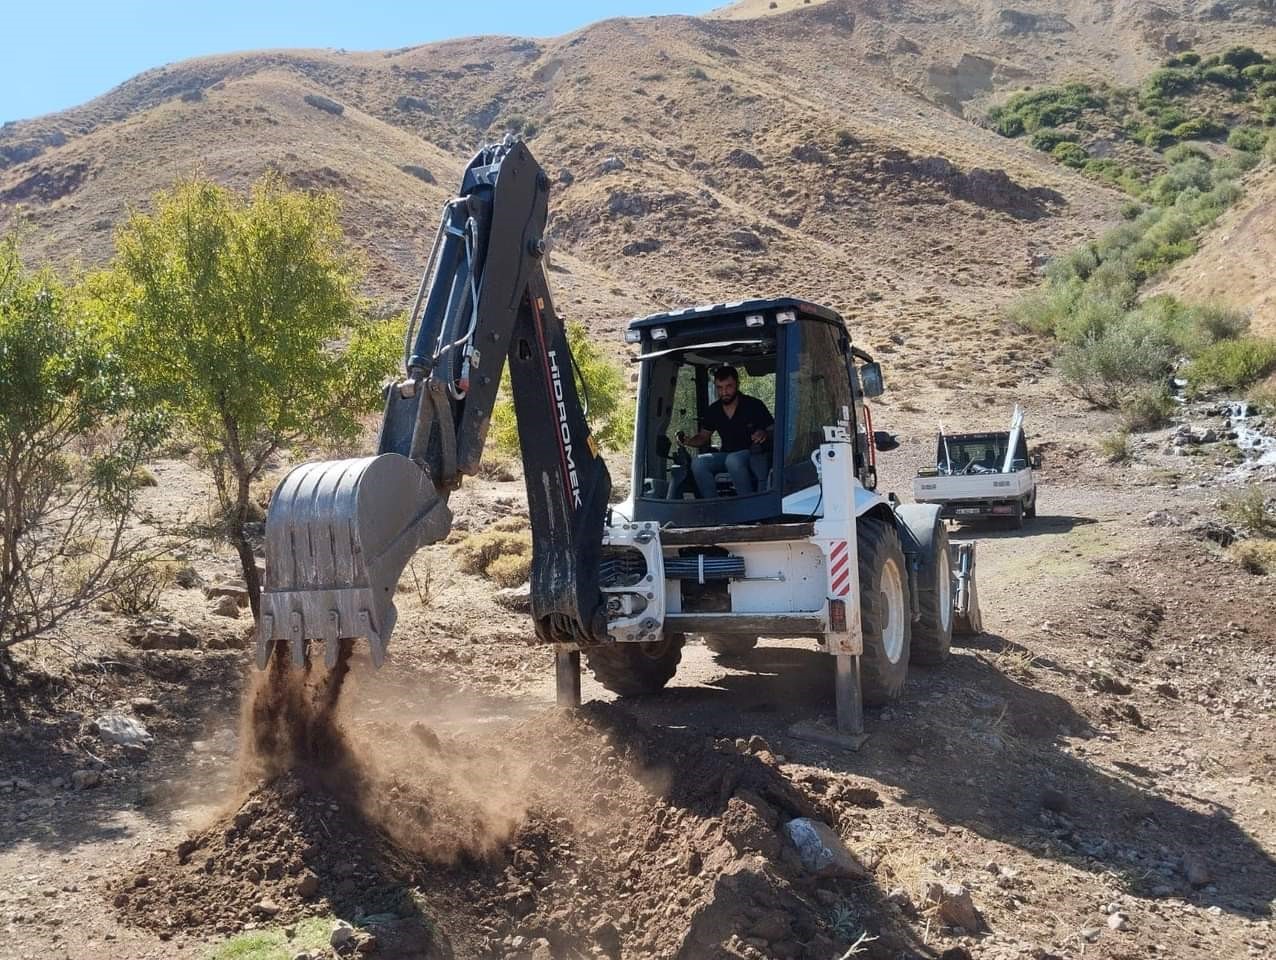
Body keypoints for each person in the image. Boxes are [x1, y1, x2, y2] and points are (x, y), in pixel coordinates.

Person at [679, 365, 774, 498]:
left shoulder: (754, 405)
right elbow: (703, 437)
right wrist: (688, 441)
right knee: (698, 462)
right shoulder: (713, 410)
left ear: (737, 384)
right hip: (726, 454)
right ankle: (713, 505)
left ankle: (747, 504)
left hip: (753, 454)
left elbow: (773, 429)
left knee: (733, 460)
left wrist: (763, 433)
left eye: (728, 386)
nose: (724, 392)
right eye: (720, 388)